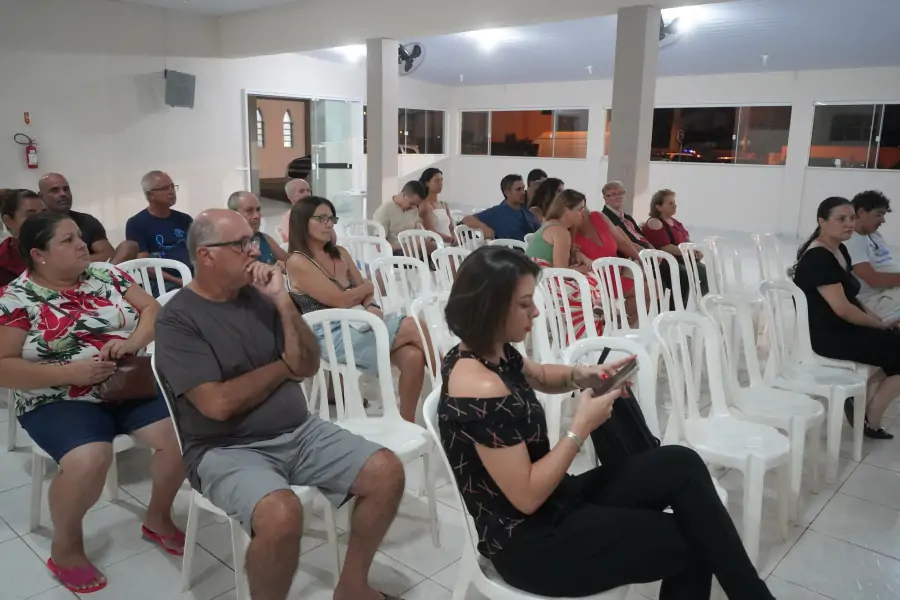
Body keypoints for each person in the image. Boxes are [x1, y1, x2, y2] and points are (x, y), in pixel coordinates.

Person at [438, 246, 776, 600]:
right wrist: (580, 426)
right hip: (528, 542)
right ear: (490, 308)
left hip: (553, 503)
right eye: (524, 304)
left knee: (681, 462)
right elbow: (525, 497)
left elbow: (539, 374)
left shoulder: (493, 351)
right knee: (692, 542)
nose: (536, 311)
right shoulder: (480, 386)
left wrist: (582, 375)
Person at [155, 208, 405, 600]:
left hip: (299, 431)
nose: (253, 251)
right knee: (282, 513)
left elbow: (305, 365)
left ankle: (353, 585)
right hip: (226, 448)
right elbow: (218, 404)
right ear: (206, 255)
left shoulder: (261, 298)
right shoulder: (178, 320)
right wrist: (281, 368)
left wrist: (284, 303)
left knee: (386, 471)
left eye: (252, 240)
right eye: (241, 245)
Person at [0, 212, 184, 594]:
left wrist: (132, 342)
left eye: (79, 237)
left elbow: (152, 310)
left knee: (180, 435)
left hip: (123, 382)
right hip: (56, 396)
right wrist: (68, 373)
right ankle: (65, 546)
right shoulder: (16, 299)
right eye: (67, 241)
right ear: (40, 254)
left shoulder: (106, 275)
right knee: (90, 458)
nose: (82, 244)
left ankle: (158, 517)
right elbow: (3, 368)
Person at [287, 196, 432, 422]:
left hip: (359, 322)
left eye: (331, 218)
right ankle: (450, 381)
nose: (329, 224)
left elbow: (366, 289)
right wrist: (363, 288)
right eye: (321, 218)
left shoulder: (340, 253)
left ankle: (406, 422)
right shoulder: (298, 261)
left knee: (413, 356)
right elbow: (342, 299)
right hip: (328, 334)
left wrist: (370, 303)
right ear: (303, 222)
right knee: (410, 324)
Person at [793, 196, 900, 439]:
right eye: (841, 219)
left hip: (840, 325)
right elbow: (842, 308)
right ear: (822, 221)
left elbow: (854, 299)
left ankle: (864, 407)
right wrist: (877, 324)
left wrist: (877, 321)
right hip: (826, 335)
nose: (849, 224)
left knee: (893, 341)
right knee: (894, 346)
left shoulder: (839, 249)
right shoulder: (819, 256)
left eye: (851, 218)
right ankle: (870, 418)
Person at [38, 173, 138, 264]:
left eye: (66, 189)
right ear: (41, 196)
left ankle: (107, 281)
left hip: (91, 272)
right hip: (57, 277)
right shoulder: (35, 225)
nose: (63, 194)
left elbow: (107, 253)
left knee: (129, 246)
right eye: (54, 191)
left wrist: (74, 261)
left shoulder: (86, 220)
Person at [125, 170, 194, 289]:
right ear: (150, 195)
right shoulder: (136, 223)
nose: (171, 192)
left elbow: (197, 252)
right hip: (163, 282)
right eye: (165, 188)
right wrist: (179, 281)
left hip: (192, 276)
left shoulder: (185, 219)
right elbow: (144, 264)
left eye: (172, 187)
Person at [642, 189, 709, 297]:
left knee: (707, 274)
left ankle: (699, 305)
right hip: (666, 262)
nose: (675, 206)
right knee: (683, 274)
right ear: (659, 207)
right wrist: (687, 252)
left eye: (674, 203)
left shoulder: (675, 222)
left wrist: (695, 250)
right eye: (670, 203)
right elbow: (664, 247)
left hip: (682, 259)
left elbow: (686, 239)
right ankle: (675, 309)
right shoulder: (655, 222)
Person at [845, 190, 900, 320]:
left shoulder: (874, 235)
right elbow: (873, 280)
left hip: (890, 291)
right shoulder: (850, 240)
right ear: (861, 212)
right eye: (879, 215)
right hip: (873, 300)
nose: (883, 220)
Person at [462, 174, 540, 242]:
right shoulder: (497, 212)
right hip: (509, 254)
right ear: (507, 192)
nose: (523, 192)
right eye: (518, 189)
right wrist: (483, 227)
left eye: (523, 188)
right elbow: (466, 219)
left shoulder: (527, 212)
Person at [227, 191, 288, 266]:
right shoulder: (226, 245)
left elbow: (292, 263)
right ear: (234, 214)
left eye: (258, 210)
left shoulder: (265, 239)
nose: (257, 216)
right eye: (249, 210)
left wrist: (284, 266)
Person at [0, 189, 46, 286]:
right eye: (30, 215)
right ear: (8, 221)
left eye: (43, 214)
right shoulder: (3, 262)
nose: (41, 220)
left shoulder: (59, 250)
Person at [372, 180, 427, 256]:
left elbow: (419, 232)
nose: (414, 207)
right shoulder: (385, 210)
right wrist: (405, 246)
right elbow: (379, 246)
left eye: (417, 205)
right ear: (404, 194)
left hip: (413, 249)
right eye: (412, 203)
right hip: (394, 253)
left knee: (436, 248)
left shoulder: (413, 210)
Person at [418, 168, 455, 244]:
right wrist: (450, 240)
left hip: (451, 243)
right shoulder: (425, 205)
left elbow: (451, 228)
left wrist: (456, 239)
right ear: (427, 183)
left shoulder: (444, 204)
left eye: (441, 180)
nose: (440, 183)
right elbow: (430, 232)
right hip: (437, 245)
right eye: (437, 180)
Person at [279, 178, 312, 244]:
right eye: (301, 191)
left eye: (308, 190)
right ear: (291, 197)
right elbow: (297, 242)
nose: (307, 194)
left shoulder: (316, 212)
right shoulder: (288, 218)